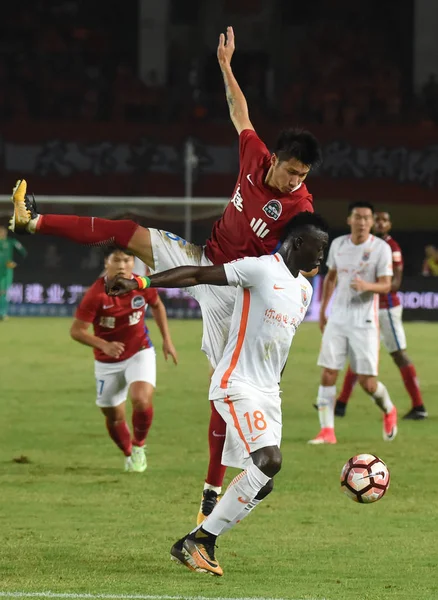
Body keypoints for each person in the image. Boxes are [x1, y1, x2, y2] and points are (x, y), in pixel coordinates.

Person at [8, 26, 322, 522]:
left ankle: (211, 493)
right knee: (126, 231)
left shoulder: (299, 206)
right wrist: (226, 67)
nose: (296, 181)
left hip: (233, 290)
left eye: (304, 176)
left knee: (224, 388)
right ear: (277, 159)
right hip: (201, 259)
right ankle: (33, 219)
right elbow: (240, 111)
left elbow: (298, 262)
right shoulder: (254, 154)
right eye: (292, 172)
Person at [106, 211, 329, 576]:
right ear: (298, 242)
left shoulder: (304, 290)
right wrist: (143, 281)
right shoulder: (259, 269)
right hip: (236, 383)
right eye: (319, 248)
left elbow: (280, 345)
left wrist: (276, 387)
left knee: (263, 483)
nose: (322, 256)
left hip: (268, 392)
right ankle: (200, 541)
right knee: (269, 460)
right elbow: (196, 274)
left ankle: (197, 539)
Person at [70, 247, 178, 472]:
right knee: (113, 415)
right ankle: (129, 453)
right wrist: (104, 345)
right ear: (106, 263)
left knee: (141, 399)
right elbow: (77, 331)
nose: (121, 266)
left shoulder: (141, 285)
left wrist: (167, 340)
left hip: (140, 350)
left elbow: (157, 305)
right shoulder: (96, 295)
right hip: (107, 361)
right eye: (116, 260)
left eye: (127, 260)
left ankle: (139, 446)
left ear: (133, 263)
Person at [308, 201, 398, 445]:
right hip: (338, 316)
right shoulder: (338, 244)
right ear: (349, 220)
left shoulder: (380, 248)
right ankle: (327, 431)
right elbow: (330, 279)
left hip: (365, 319)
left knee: (368, 383)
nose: (362, 222)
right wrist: (324, 310)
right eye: (357, 217)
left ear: (371, 222)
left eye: (367, 218)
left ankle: (389, 410)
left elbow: (387, 284)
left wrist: (367, 286)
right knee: (328, 373)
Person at [335, 211, 427, 420]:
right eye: (377, 220)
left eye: (384, 220)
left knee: (398, 354)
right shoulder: (369, 247)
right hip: (370, 308)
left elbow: (394, 284)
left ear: (389, 224)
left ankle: (419, 406)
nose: (379, 223)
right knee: (360, 354)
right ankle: (340, 404)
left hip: (386, 309)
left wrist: (368, 287)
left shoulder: (391, 248)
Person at [0, 225, 27, 321]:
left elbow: (23, 252)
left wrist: (16, 263)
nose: (2, 233)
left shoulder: (10, 242)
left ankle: (2, 313)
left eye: (3, 232)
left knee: (3, 292)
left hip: (6, 270)